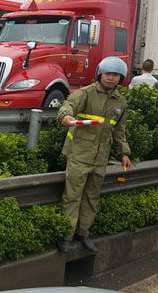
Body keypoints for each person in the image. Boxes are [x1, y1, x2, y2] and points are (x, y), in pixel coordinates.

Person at [56, 56, 132, 253]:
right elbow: (68, 106)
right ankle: (66, 235)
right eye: (107, 74)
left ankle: (83, 233)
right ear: (100, 74)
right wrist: (65, 117)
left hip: (101, 157)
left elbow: (119, 131)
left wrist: (124, 153)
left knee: (92, 197)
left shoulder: (120, 102)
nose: (110, 78)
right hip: (80, 153)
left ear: (121, 78)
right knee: (72, 196)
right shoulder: (86, 93)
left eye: (115, 75)